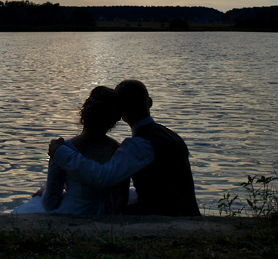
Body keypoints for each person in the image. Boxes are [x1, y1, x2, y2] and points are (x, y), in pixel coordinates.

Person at [48, 80, 200, 216]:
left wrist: (60, 152)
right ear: (149, 102)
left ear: (121, 113)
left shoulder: (141, 145)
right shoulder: (171, 136)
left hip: (166, 218)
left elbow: (102, 177)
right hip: (188, 212)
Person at [12, 86, 130, 214]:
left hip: (73, 212)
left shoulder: (63, 149)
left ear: (84, 112)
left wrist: (43, 190)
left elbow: (50, 202)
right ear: (113, 120)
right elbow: (121, 200)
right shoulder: (119, 150)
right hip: (106, 214)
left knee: (30, 206)